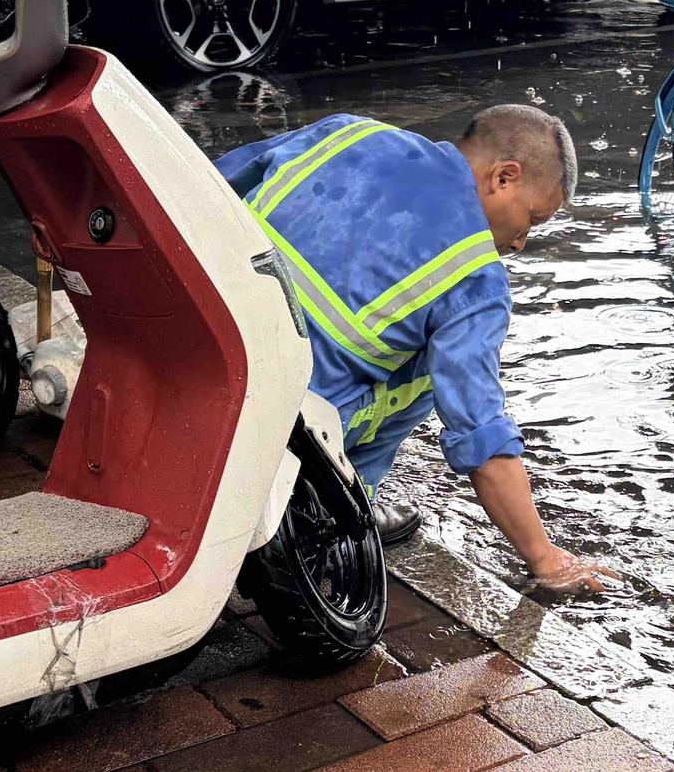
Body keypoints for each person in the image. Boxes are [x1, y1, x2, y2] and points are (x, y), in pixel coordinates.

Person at [217, 102, 612, 591]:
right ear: (504, 177)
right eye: (532, 218)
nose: (520, 243)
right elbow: (481, 438)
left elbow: (207, 187)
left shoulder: (348, 130)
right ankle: (342, 509)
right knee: (435, 369)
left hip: (198, 348)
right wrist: (547, 560)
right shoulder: (474, 279)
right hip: (276, 416)